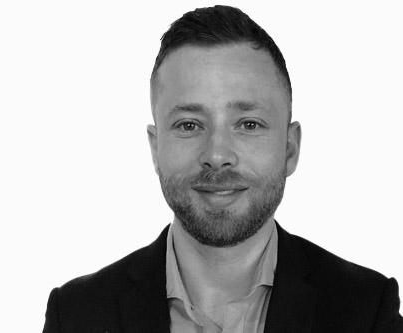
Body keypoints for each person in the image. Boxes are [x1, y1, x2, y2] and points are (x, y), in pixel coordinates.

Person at [42, 5, 403, 332]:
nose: (217, 155)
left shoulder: (366, 310)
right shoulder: (76, 315)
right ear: (155, 149)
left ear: (290, 148)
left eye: (248, 124)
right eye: (189, 125)